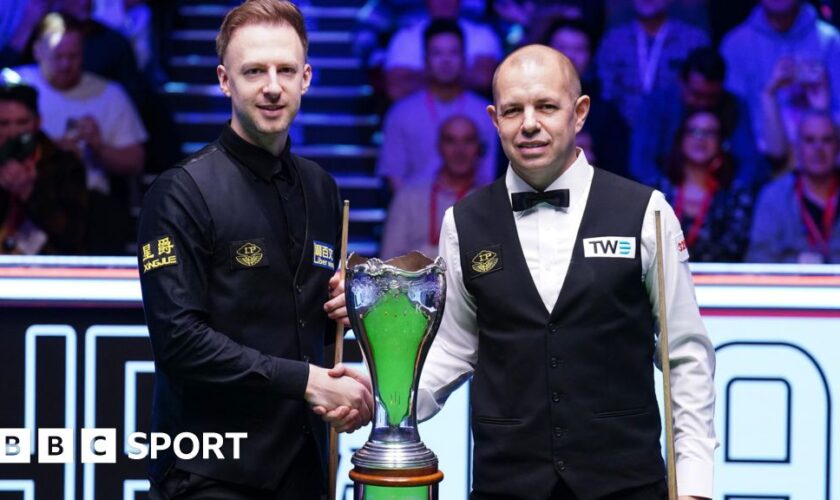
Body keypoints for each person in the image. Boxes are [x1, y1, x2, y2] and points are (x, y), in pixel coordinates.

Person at [418, 45, 715, 499]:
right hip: (507, 485)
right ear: (495, 119)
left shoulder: (646, 212)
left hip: (626, 484)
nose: (530, 123)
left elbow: (685, 357)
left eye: (546, 107)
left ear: (579, 113)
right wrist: (381, 401)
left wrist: (694, 483)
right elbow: (455, 347)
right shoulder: (463, 222)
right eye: (514, 110)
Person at [137, 1, 373, 498]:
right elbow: (179, 342)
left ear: (306, 77)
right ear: (225, 81)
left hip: (306, 465)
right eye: (254, 71)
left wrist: (345, 304)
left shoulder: (322, 188)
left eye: (286, 70)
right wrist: (308, 381)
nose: (272, 86)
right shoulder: (180, 192)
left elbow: (309, 320)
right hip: (210, 474)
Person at [376, 19, 499, 193]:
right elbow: (394, 176)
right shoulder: (400, 113)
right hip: (415, 212)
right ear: (425, 60)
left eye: (453, 53)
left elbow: (488, 177)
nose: (446, 60)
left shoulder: (485, 113)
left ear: (464, 59)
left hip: (470, 212)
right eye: (437, 53)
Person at [721, 0, 840, 159]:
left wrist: (820, 107)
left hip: (824, 160)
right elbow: (732, 125)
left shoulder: (831, 41)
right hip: (757, 166)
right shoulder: (735, 44)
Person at [631, 47, 765, 188]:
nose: (703, 103)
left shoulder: (734, 105)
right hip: (665, 190)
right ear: (681, 82)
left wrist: (733, 196)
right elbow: (642, 162)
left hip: (720, 193)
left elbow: (749, 160)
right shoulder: (657, 104)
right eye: (697, 95)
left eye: (711, 97)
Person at [0, 83, 88, 255]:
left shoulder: (64, 165)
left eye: (22, 122)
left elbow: (72, 235)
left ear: (37, 122)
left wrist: (28, 192)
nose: (13, 132)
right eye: (4, 123)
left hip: (47, 267)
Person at [380, 114, 484, 259]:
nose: (460, 150)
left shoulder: (490, 201)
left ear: (479, 148)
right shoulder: (409, 197)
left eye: (468, 141)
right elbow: (388, 262)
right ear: (439, 147)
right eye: (450, 141)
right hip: (415, 280)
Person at [659, 110, 754, 262]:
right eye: (694, 132)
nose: (701, 139)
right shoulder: (656, 191)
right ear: (680, 139)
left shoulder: (736, 195)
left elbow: (733, 251)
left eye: (710, 133)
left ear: (722, 142)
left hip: (717, 282)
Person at [595, 0, 709, 126]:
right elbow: (606, 93)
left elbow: (702, 95)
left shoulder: (693, 40)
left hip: (676, 129)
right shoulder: (614, 40)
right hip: (621, 129)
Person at [747, 112, 840, 263]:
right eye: (809, 140)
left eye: (827, 140)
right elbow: (758, 260)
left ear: (838, 147)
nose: (818, 148)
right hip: (788, 285)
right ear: (797, 148)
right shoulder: (773, 196)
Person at [545, 17, 630, 178]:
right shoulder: (523, 103)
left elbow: (617, 174)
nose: (570, 56)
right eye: (562, 48)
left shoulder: (605, 114)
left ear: (590, 56)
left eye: (579, 49)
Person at [383, 0, 502, 100]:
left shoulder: (483, 34)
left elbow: (484, 80)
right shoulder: (404, 37)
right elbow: (396, 89)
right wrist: (459, 75)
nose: (445, 2)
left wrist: (421, 76)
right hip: (416, 114)